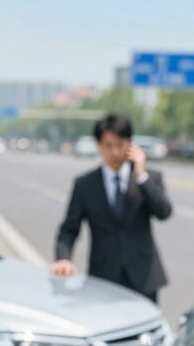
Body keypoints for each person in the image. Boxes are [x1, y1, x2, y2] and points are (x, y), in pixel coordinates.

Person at [50, 113, 172, 303]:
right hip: (103, 276)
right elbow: (69, 229)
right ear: (99, 146)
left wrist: (141, 175)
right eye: (108, 145)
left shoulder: (149, 178)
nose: (114, 152)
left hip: (144, 275)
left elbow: (164, 212)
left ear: (130, 145)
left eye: (120, 145)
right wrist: (63, 258)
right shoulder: (85, 184)